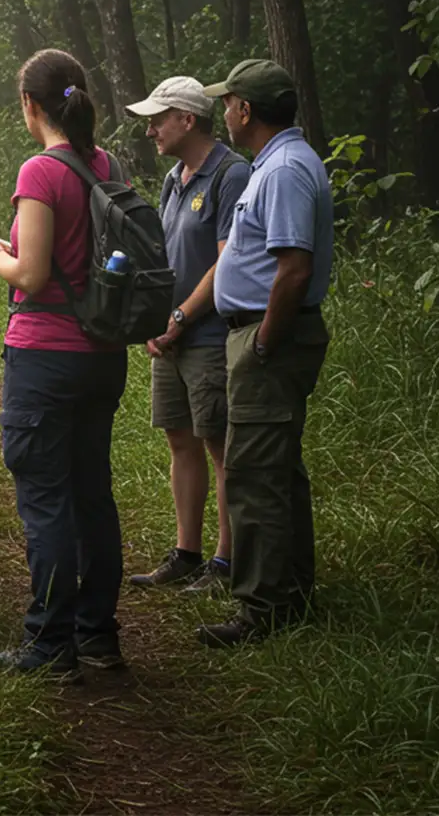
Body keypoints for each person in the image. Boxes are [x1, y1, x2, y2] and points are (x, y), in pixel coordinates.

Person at [0, 48, 126, 680]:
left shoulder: (40, 171)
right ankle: (98, 636)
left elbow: (30, 273)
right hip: (101, 354)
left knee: (46, 500)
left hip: (45, 355)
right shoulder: (103, 164)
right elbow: (73, 255)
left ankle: (49, 646)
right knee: (92, 495)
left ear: (30, 105)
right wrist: (15, 249)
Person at [195, 59, 334, 648]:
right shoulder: (276, 165)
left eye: (227, 102)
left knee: (252, 475)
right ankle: (290, 592)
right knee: (277, 472)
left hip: (267, 338)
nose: (223, 111)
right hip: (259, 333)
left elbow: (294, 268)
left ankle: (261, 610)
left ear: (245, 110)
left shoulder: (282, 171)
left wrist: (263, 343)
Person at [127, 77, 251, 594]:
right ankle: (186, 553)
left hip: (208, 335)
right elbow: (164, 258)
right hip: (171, 335)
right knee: (180, 440)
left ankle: (225, 564)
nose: (151, 128)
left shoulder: (230, 174)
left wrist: (179, 319)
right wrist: (157, 320)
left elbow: (228, 264)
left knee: (219, 446)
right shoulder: (174, 177)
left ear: (188, 119)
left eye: (159, 118)